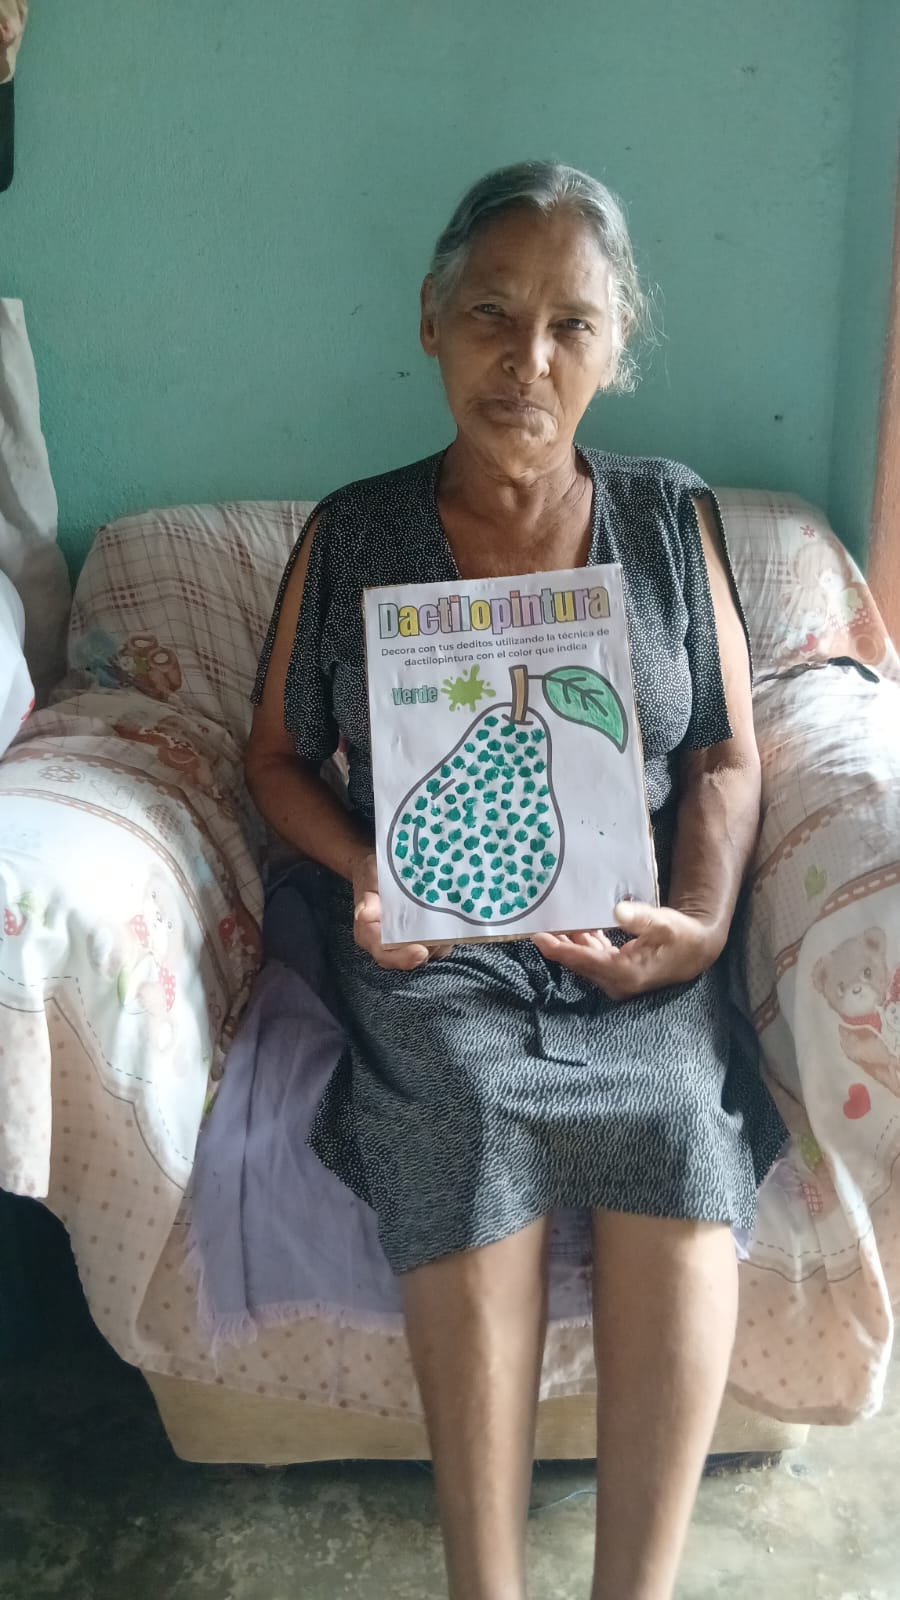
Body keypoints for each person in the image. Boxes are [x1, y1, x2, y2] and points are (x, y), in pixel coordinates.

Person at [245, 161, 784, 1600]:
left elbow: (725, 755)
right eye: (491, 312)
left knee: (678, 1116)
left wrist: (700, 927)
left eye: (570, 325)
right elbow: (276, 759)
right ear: (431, 320)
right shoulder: (355, 532)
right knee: (468, 1113)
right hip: (437, 955)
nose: (526, 359)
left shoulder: (668, 517)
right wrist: (371, 868)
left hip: (630, 945)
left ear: (616, 347)